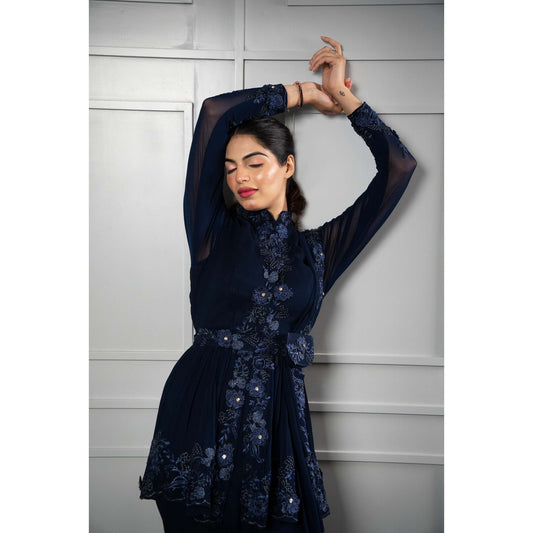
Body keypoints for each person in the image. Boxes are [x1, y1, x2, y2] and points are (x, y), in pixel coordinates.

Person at [138, 36, 417, 533]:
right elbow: (215, 111)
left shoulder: (319, 251)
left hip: (278, 425)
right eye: (230, 168)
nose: (240, 178)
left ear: (287, 166)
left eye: (254, 163)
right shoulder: (211, 231)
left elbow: (399, 168)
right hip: (199, 413)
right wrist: (304, 94)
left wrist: (345, 98)